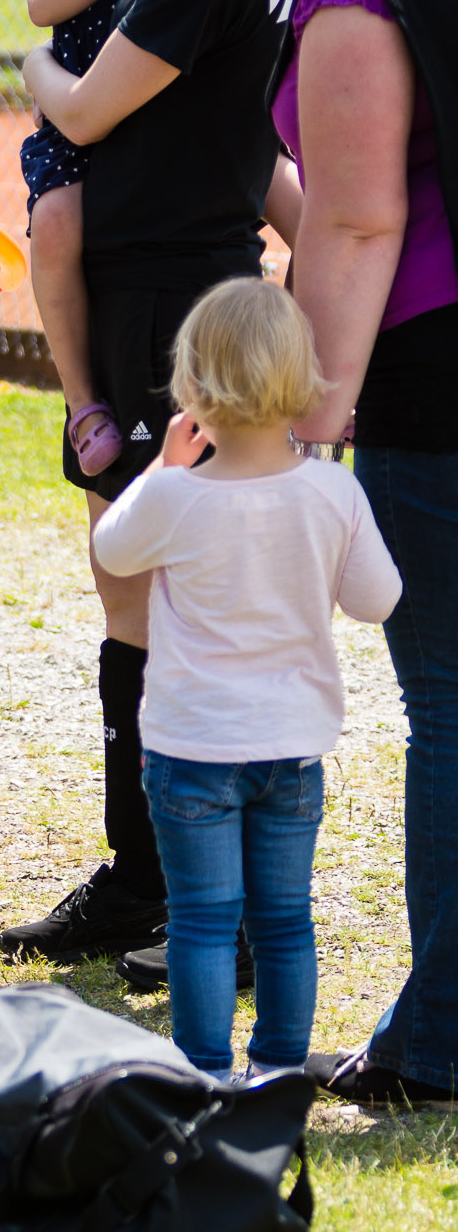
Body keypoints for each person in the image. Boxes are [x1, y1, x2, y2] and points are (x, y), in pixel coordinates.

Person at [0, 0, 301, 967]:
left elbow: (79, 110)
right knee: (137, 596)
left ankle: (217, 906)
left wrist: (39, 71)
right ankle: (147, 881)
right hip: (160, 300)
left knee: (186, 607)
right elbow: (249, 138)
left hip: (178, 307)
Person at [211, 0, 458, 1106]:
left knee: (451, 702)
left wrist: (303, 425)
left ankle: (440, 1043)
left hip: (435, 377)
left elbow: (357, 221)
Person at [93, 279, 400, 1076]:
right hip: (289, 751)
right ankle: (276, 1075)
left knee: (199, 920)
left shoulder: (172, 493)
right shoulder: (331, 490)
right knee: (284, 921)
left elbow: (113, 552)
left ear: (191, 385)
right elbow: (376, 601)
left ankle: (204, 1077)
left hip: (189, 747)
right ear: (303, 375)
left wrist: (161, 467)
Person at [22, 0, 163, 477]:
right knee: (53, 223)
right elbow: (41, 2)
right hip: (76, 113)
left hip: (161, 116)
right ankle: (84, 403)